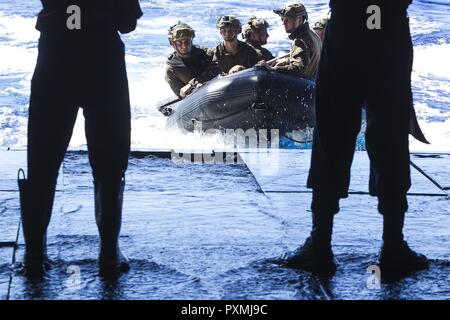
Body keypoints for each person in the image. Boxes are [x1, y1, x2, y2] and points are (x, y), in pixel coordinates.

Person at [282, 0, 429, 280]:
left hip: (348, 26)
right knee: (391, 135)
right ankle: (393, 244)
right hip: (390, 26)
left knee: (332, 131)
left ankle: (320, 244)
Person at [18, 0, 142, 275]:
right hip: (102, 61)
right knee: (109, 158)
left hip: (55, 56)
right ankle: (109, 252)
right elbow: (127, 23)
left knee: (43, 156)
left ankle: (34, 254)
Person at [258, 2, 321, 79]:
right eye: (282, 19)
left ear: (299, 20)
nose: (283, 23)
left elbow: (298, 69)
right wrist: (285, 61)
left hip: (303, 87)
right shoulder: (313, 35)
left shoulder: (300, 41)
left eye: (287, 20)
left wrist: (271, 69)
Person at [165, 22, 219, 98]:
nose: (184, 46)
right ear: (173, 44)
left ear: (191, 41)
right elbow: (181, 94)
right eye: (179, 43)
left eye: (187, 42)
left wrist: (194, 83)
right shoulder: (172, 69)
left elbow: (218, 66)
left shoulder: (206, 53)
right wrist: (194, 89)